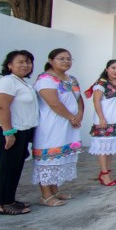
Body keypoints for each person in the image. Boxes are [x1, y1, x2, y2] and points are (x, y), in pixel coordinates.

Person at [0, 50, 39, 215]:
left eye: (28, 62)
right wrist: (8, 132)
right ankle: (4, 203)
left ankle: (7, 199)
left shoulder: (22, 83)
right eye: (20, 62)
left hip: (20, 130)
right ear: (10, 65)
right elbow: (1, 106)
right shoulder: (7, 81)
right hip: (8, 130)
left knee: (14, 167)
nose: (25, 65)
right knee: (7, 167)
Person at [32, 48, 83, 206]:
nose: (66, 61)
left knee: (60, 157)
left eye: (69, 59)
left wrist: (79, 115)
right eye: (62, 58)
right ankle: (46, 195)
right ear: (50, 60)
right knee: (48, 158)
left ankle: (55, 190)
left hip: (69, 124)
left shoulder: (71, 79)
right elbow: (54, 103)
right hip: (52, 125)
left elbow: (79, 99)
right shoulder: (45, 79)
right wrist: (71, 117)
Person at [86, 59, 116, 186]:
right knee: (103, 148)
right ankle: (104, 173)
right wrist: (101, 118)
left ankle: (108, 171)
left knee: (110, 148)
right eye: (113, 68)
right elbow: (96, 101)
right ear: (107, 69)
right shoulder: (101, 84)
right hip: (105, 121)